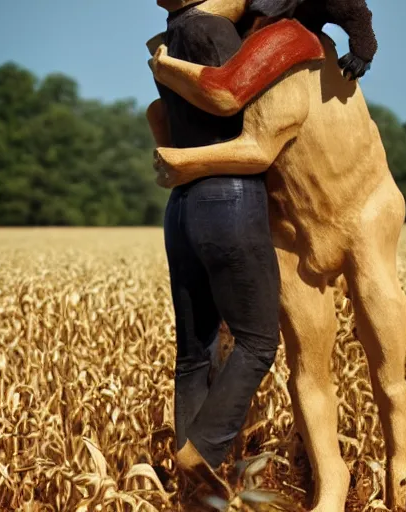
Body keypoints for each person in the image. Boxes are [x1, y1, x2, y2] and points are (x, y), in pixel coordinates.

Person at [148, 0, 281, 497]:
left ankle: (195, 492)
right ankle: (202, 449)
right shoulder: (211, 31)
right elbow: (242, 101)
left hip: (181, 207)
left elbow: (157, 114)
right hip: (228, 198)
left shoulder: (169, 40)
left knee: (194, 354)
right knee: (257, 340)